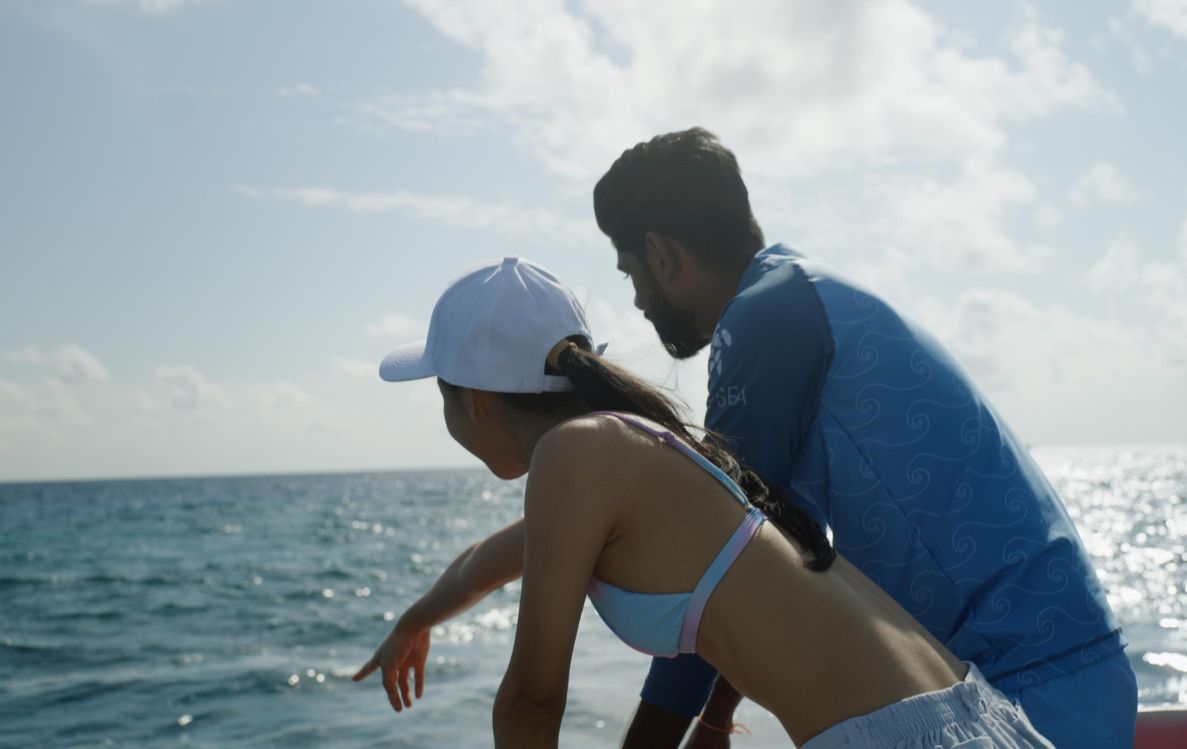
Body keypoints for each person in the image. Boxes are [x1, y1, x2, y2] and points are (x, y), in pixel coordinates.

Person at [353, 256, 1054, 748]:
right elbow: (482, 563)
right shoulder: (631, 447)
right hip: (977, 714)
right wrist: (413, 622)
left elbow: (531, 701)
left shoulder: (575, 456)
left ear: (474, 399)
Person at [593, 128, 1137, 748]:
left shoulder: (763, 320)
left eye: (630, 273)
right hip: (1065, 671)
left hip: (1022, 688)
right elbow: (763, 545)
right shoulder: (800, 294)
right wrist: (716, 719)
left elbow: (711, 555)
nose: (637, 299)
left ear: (662, 255)